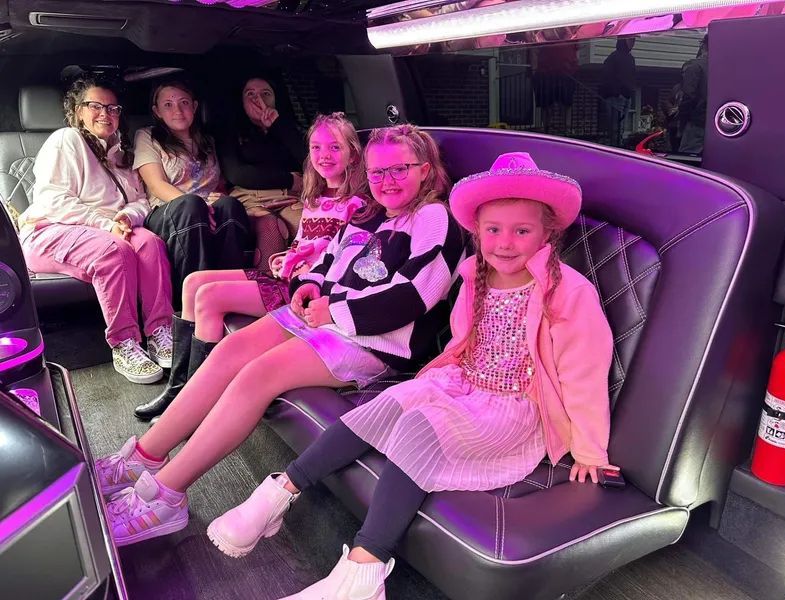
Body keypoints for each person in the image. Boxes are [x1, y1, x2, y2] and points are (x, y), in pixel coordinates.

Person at [206, 151, 618, 600]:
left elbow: (584, 370)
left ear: (547, 234)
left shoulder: (566, 290)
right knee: (389, 404)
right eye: (493, 230)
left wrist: (589, 450)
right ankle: (280, 494)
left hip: (515, 407)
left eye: (522, 231)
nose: (504, 243)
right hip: (464, 383)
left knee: (420, 427)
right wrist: (435, 382)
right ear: (477, 231)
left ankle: (365, 570)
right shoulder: (476, 276)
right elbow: (465, 339)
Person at [95, 124, 466, 547]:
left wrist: (336, 310)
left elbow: (417, 295)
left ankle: (166, 495)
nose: (387, 181)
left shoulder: (436, 218)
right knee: (233, 348)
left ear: (426, 170)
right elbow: (330, 261)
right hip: (327, 318)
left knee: (258, 374)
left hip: (374, 340)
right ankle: (145, 456)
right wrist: (308, 288)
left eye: (399, 169)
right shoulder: (371, 213)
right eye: (378, 172)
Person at [133, 112, 368, 421]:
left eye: (335, 148)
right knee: (193, 282)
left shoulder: (358, 204)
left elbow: (341, 260)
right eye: (316, 148)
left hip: (303, 290)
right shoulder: (314, 196)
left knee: (209, 297)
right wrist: (287, 255)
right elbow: (304, 242)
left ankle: (196, 401)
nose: (325, 156)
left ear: (353, 153)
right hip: (285, 275)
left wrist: (303, 262)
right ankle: (180, 390)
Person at [18, 76, 173, 384]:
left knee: (151, 244)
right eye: (95, 106)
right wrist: (107, 225)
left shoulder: (121, 152)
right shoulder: (66, 139)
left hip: (111, 230)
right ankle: (124, 343)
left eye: (113, 108)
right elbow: (53, 200)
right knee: (112, 251)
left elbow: (141, 201)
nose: (106, 113)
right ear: (78, 111)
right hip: (50, 231)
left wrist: (128, 217)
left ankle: (159, 330)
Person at [134, 79, 252, 306]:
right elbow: (156, 184)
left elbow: (218, 182)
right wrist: (199, 204)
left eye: (184, 102)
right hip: (168, 211)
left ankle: (229, 297)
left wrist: (218, 197)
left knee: (230, 206)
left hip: (205, 209)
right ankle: (191, 303)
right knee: (191, 206)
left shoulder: (208, 141)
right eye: (168, 104)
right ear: (157, 111)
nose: (177, 110)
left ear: (195, 107)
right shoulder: (147, 136)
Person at [218, 75, 308, 268]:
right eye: (250, 94)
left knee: (308, 222)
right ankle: (267, 287)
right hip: (250, 197)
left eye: (265, 93)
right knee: (270, 227)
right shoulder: (230, 132)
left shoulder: (287, 128)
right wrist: (288, 180)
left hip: (289, 197)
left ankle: (311, 281)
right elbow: (237, 173)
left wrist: (278, 125)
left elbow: (309, 160)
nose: (258, 100)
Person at [599, 37, 636, 147]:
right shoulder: (613, 57)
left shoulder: (630, 59)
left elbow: (632, 77)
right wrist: (616, 92)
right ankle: (614, 147)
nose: (633, 43)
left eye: (634, 41)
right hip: (615, 97)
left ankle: (619, 146)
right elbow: (606, 77)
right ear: (623, 41)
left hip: (627, 96)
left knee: (622, 127)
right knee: (615, 127)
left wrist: (630, 92)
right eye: (630, 40)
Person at [678, 35, 708, 154]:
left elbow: (689, 97)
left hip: (697, 122)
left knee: (688, 157)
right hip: (720, 124)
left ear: (703, 46)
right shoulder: (726, 67)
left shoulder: (695, 67)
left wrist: (683, 121)